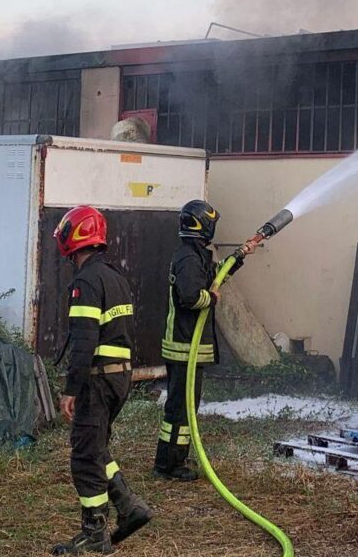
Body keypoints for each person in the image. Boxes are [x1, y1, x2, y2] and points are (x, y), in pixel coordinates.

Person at [51, 205, 152, 555]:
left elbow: (83, 342)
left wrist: (70, 390)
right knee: (96, 448)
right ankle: (128, 507)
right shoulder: (114, 277)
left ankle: (95, 533)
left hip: (96, 379)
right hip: (119, 377)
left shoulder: (86, 282)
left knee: (83, 455)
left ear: (74, 235)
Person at [153, 199, 239, 481]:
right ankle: (169, 465)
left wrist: (236, 260)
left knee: (183, 407)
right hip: (184, 346)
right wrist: (211, 298)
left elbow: (213, 277)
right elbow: (191, 296)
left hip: (188, 346)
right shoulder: (189, 258)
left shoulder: (195, 254)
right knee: (180, 408)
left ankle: (173, 459)